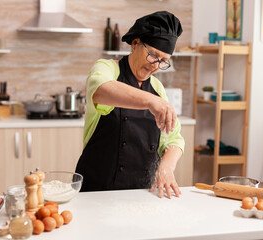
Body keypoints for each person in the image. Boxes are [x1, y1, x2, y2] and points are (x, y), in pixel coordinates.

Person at [75, 11, 185, 199]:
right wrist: (151, 101)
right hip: (96, 191)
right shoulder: (107, 69)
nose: (156, 66)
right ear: (135, 44)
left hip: (141, 193)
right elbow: (101, 90)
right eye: (153, 55)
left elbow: (174, 138)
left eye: (163, 61)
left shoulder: (158, 88)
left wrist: (167, 166)